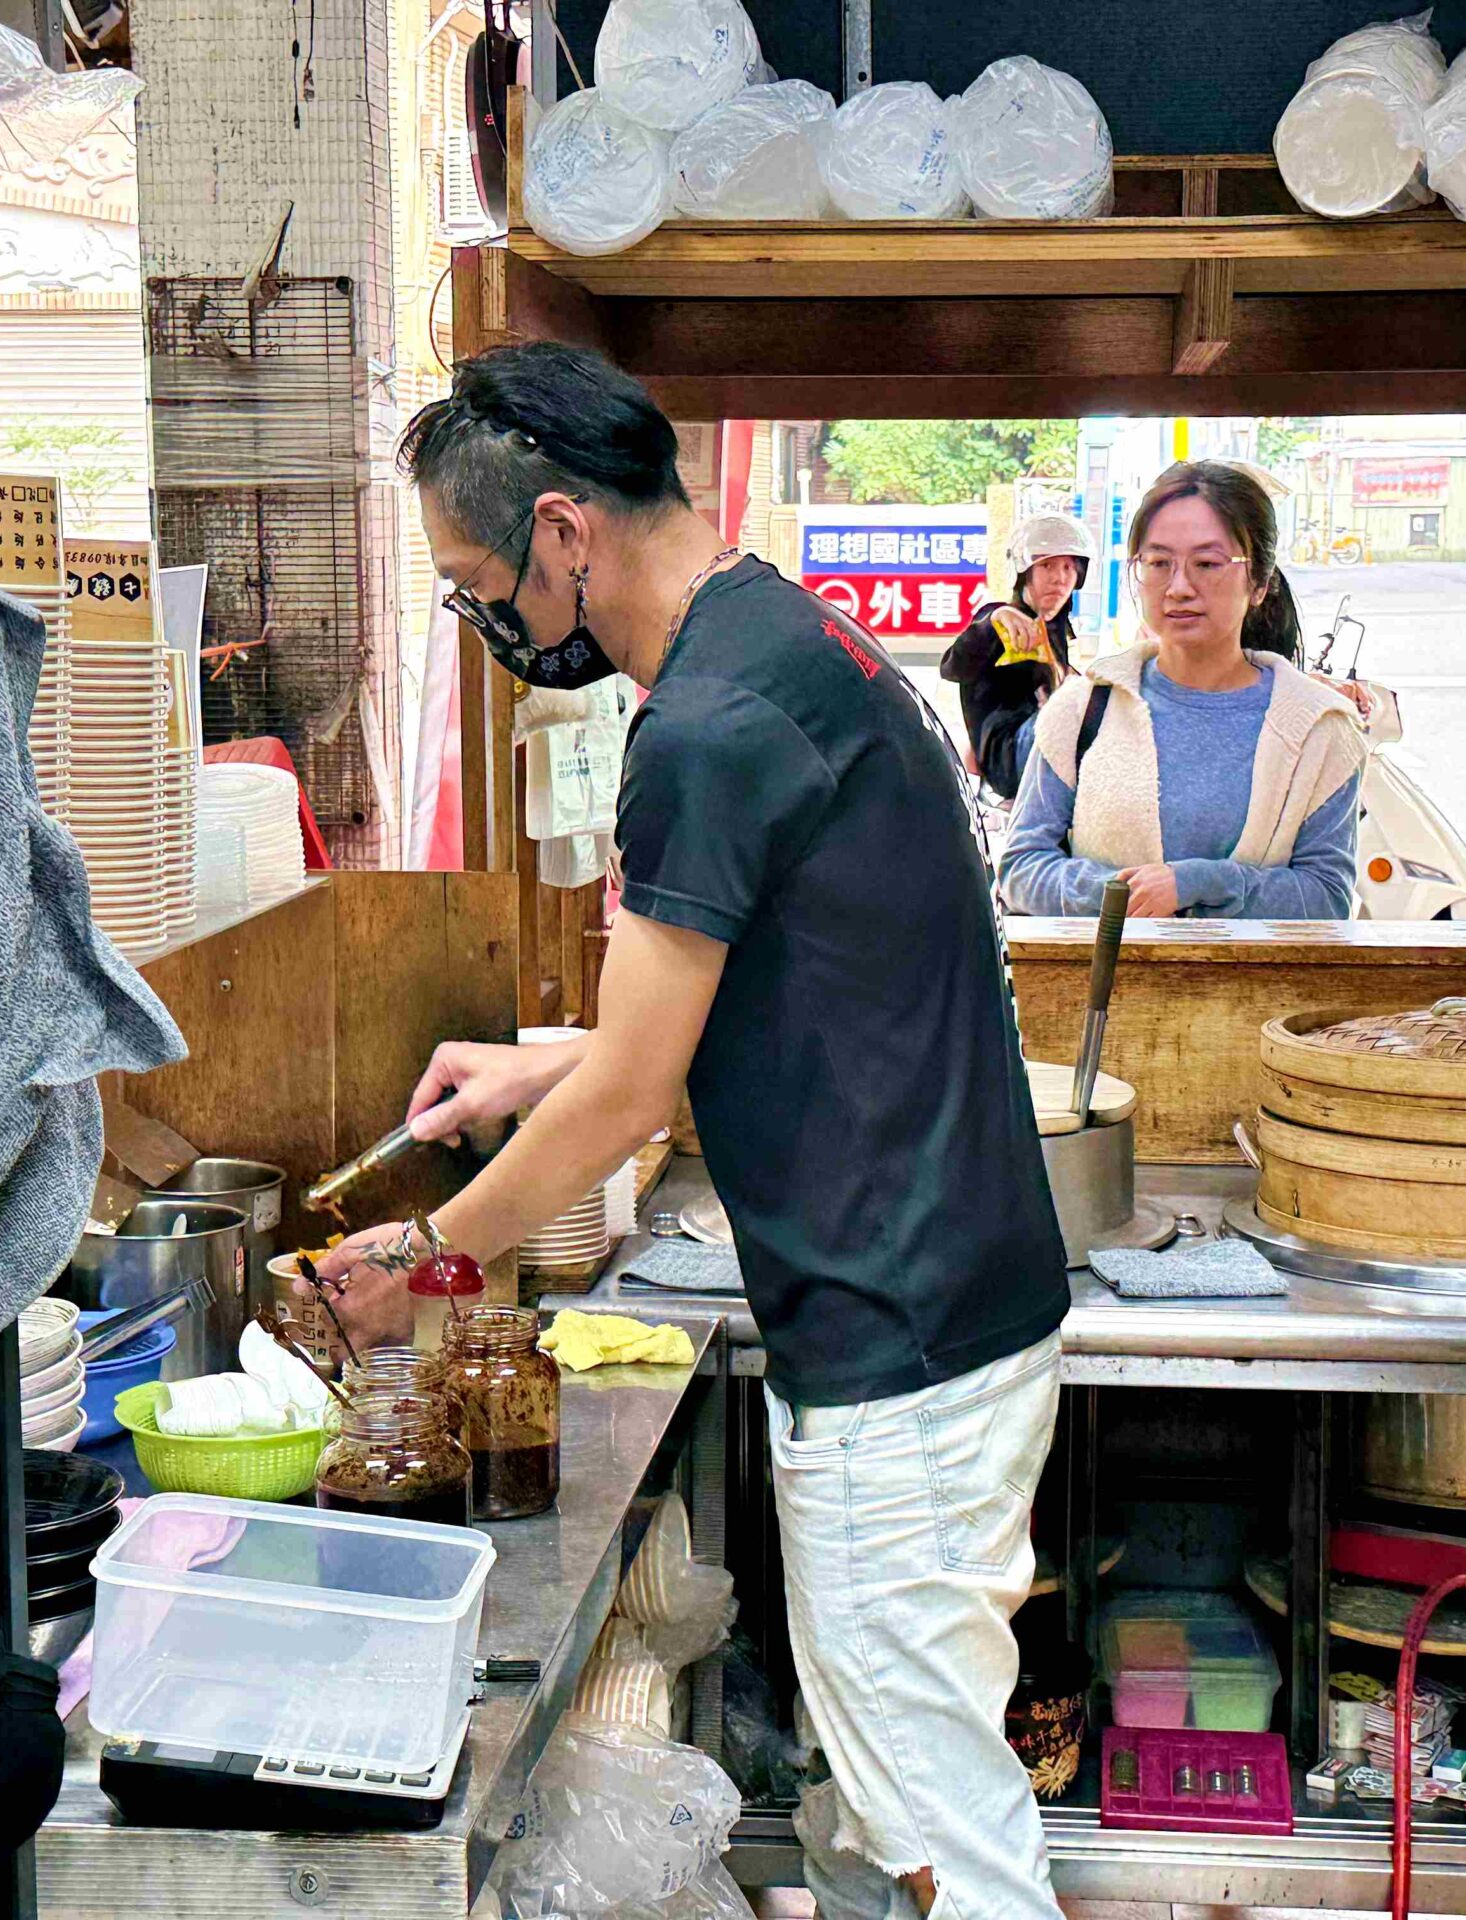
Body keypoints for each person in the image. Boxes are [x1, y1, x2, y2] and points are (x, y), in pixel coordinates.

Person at [310, 341, 1072, 1920]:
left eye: (476, 587)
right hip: (943, 1312)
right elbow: (762, 985)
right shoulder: (785, 634)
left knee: (944, 1842)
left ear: (564, 533)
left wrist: (424, 1256)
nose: (484, 621)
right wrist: (532, 1071)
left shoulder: (706, 727)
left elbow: (636, 1095)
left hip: (897, 1351)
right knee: (880, 1818)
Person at [1000, 461, 1365, 920]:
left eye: (1207, 564)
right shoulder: (1082, 708)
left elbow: (1327, 897)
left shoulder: (1320, 728)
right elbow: (1020, 868)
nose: (1178, 587)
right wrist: (1120, 895)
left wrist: (1197, 886)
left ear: (1259, 583)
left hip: (1257, 974)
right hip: (1106, 971)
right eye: (1158, 563)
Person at [937, 512, 1093, 800]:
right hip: (1009, 756)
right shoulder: (1001, 620)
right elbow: (952, 666)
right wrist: (993, 622)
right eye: (1047, 565)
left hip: (1044, 752)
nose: (1059, 578)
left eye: (1069, 567)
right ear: (1024, 572)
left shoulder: (1055, 633)